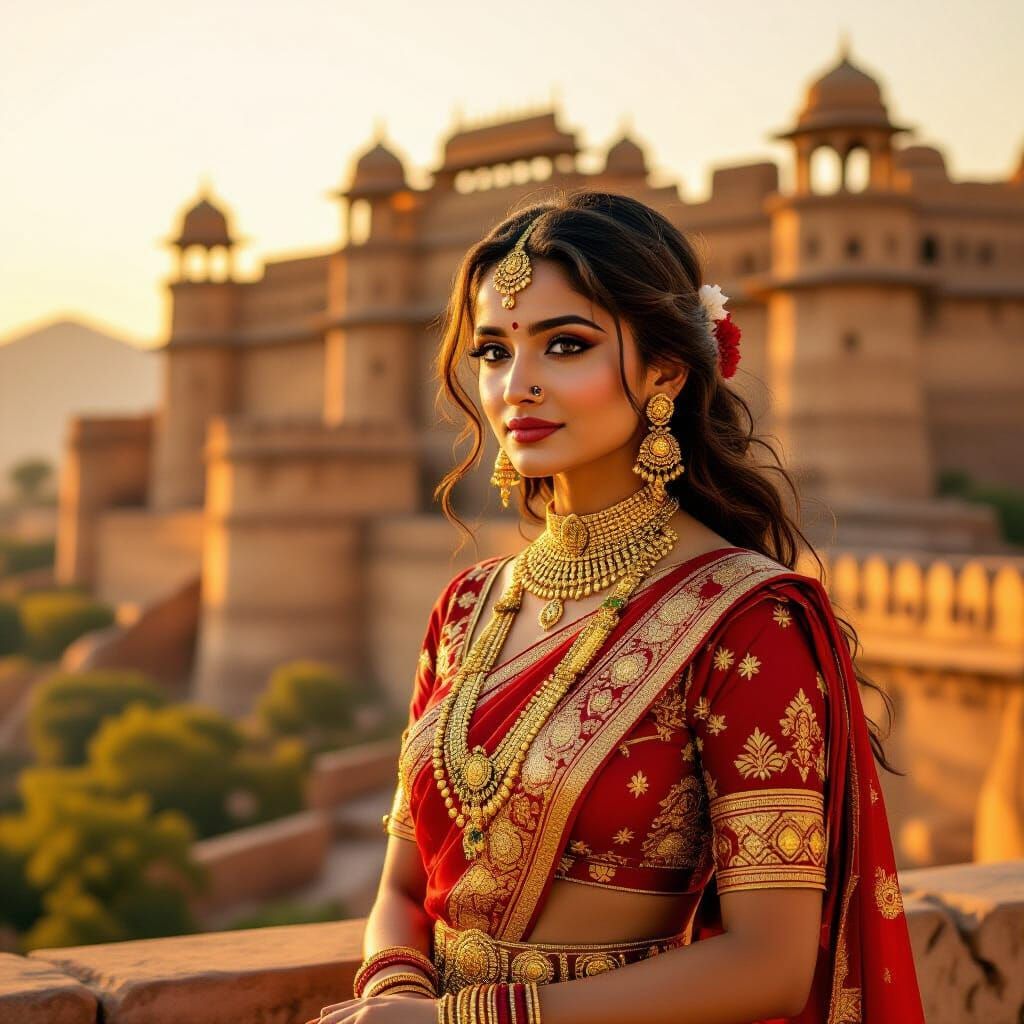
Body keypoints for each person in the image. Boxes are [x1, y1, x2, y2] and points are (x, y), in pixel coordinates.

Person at [310, 191, 926, 1023]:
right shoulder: (466, 608)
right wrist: (395, 992)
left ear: (667, 370)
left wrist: (468, 1022)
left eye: (565, 346)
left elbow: (772, 964)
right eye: (493, 351)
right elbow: (403, 885)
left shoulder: (747, 620)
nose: (516, 386)